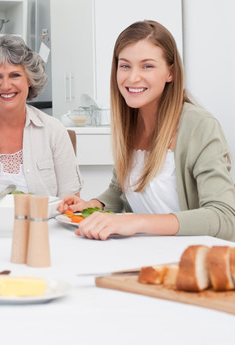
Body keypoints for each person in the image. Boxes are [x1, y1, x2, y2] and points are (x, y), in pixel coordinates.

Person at [58, 20, 235, 241]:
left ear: (170, 73)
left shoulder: (199, 126)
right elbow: (119, 191)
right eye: (125, 65)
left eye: (147, 66)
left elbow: (225, 217)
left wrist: (133, 221)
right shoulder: (130, 122)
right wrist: (93, 206)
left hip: (193, 259)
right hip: (147, 254)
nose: (132, 78)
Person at [0, 34, 82, 197]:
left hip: (41, 223)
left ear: (29, 79)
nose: (6, 85)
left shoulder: (54, 131)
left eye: (15, 75)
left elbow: (70, 202)